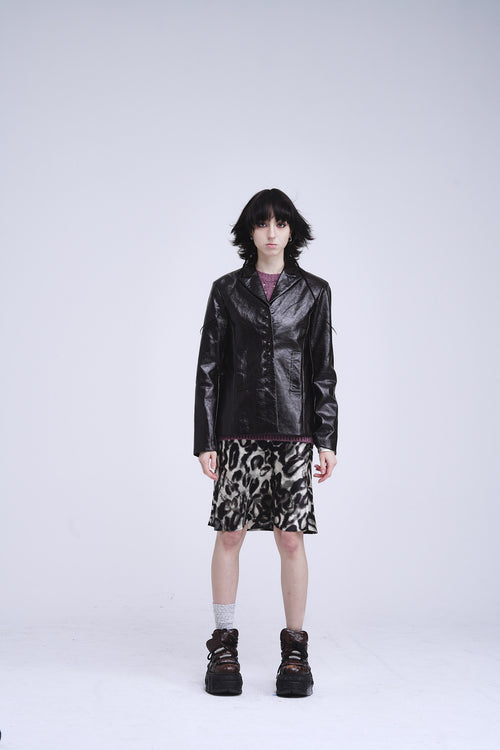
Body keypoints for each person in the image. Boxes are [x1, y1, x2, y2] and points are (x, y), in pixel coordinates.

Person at [194, 188, 338, 697]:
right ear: (249, 232)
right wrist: (205, 439)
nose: (271, 232)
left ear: (292, 230)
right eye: (262, 224)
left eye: (280, 223)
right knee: (230, 534)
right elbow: (209, 368)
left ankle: (295, 651)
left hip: (294, 432)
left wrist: (326, 438)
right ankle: (223, 645)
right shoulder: (226, 291)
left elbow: (323, 370)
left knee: (290, 539)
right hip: (237, 430)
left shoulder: (314, 292)